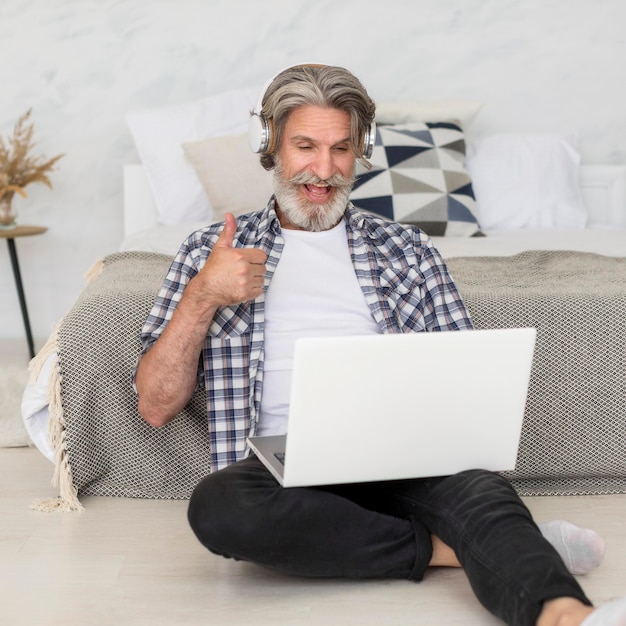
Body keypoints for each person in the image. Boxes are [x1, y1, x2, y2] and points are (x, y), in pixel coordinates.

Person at [134, 65, 623, 626]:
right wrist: (203, 296)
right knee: (220, 509)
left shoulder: (407, 249)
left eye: (341, 148)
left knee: (482, 493)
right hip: (286, 468)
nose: (323, 169)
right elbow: (155, 405)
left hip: (403, 449)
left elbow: (463, 377)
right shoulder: (208, 252)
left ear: (362, 151)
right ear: (269, 145)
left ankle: (569, 615)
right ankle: (454, 550)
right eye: (305, 146)